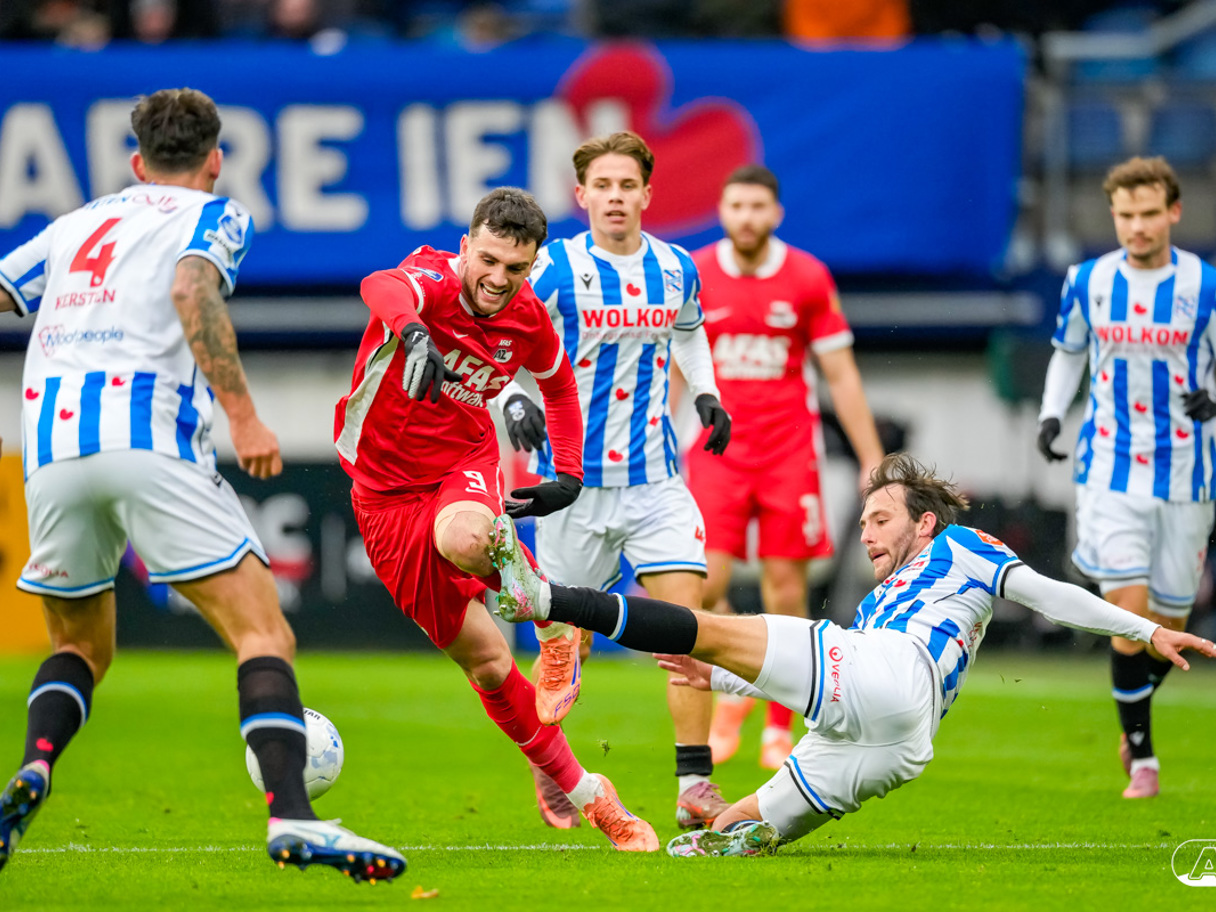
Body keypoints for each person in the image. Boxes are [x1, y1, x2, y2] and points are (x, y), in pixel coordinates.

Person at [0, 88, 405, 882]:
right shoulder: (214, 214)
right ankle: (293, 814)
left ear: (135, 160)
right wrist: (245, 417)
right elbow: (192, 289)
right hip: (145, 438)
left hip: (49, 449)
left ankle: (35, 765)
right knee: (262, 635)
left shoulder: (75, 224)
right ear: (216, 160)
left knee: (78, 647)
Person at [487, 452, 1216, 857]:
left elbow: (1048, 594)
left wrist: (1146, 630)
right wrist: (720, 681)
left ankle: (544, 598)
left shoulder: (961, 547)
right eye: (863, 521)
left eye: (880, 519)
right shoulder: (874, 607)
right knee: (729, 835)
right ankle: (730, 824)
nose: (866, 534)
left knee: (705, 624)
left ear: (923, 524)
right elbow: (817, 683)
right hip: (897, 740)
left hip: (893, 676)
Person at [333, 186, 658, 851]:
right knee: (486, 665)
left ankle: (554, 621)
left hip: (462, 463)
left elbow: (558, 384)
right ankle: (588, 792)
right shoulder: (428, 282)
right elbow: (377, 285)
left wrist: (569, 474)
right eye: (487, 260)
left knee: (467, 538)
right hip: (382, 493)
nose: (498, 279)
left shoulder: (527, 316)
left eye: (515, 268)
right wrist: (414, 333)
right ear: (466, 247)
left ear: (532, 266)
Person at [494, 131, 734, 830]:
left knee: (689, 627)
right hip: (572, 484)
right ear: (582, 196)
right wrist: (513, 400)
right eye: (602, 186)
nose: (615, 197)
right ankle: (552, 767)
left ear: (647, 194)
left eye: (627, 185)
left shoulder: (676, 267)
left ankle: (695, 785)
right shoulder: (554, 269)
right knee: (567, 645)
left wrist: (706, 393)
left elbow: (689, 331)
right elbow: (500, 337)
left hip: (656, 480)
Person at [689, 164, 884, 770]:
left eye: (757, 207)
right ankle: (732, 689)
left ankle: (778, 724)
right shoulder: (693, 272)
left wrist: (871, 457)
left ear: (776, 213)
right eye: (736, 206)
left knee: (786, 589)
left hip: (787, 454)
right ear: (722, 211)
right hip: (715, 452)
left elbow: (840, 374)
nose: (746, 217)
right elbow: (676, 365)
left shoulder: (806, 276)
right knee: (704, 586)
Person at [1036, 155, 1216, 800]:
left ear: (1173, 212)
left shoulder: (1205, 285)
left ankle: (1134, 713)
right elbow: (1068, 352)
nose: (1137, 226)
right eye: (1125, 215)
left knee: (1170, 616)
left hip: (1188, 471)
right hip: (1109, 466)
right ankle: (1143, 755)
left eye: (1149, 214)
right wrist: (1051, 415)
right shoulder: (1087, 281)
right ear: (1113, 215)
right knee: (1130, 613)